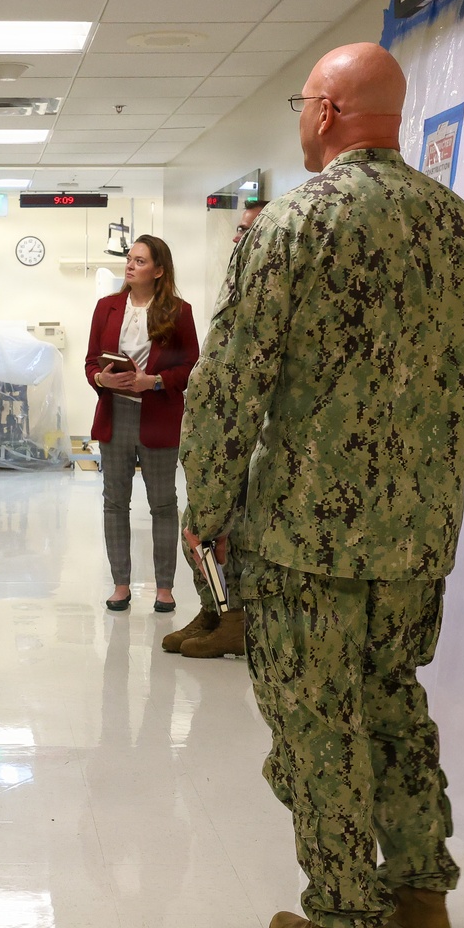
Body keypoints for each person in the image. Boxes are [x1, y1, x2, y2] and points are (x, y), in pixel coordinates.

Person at [180, 43, 464, 928]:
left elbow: (231, 380)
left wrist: (204, 506)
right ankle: (421, 893)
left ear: (323, 111)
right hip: (418, 535)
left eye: (301, 102)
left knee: (319, 720)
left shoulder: (289, 226)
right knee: (395, 701)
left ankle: (345, 925)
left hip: (305, 536)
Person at [164, 198, 267, 658]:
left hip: (246, 440)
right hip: (217, 439)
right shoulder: (242, 283)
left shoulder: (268, 288)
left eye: (246, 230)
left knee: (225, 534)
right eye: (238, 229)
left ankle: (234, 618)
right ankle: (213, 610)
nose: (235, 237)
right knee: (200, 531)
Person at [84, 235, 198, 612]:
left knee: (163, 504)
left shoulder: (180, 312)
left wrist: (155, 381)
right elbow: (90, 362)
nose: (130, 265)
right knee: (115, 503)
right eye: (129, 259)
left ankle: (164, 588)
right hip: (114, 416)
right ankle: (120, 584)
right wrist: (103, 379)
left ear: (159, 270)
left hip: (158, 417)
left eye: (140, 260)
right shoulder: (107, 308)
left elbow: (190, 368)